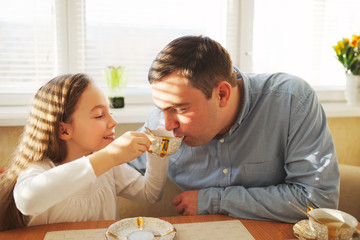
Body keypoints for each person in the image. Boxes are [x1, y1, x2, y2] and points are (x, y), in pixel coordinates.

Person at [131, 35, 340, 223]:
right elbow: (119, 169)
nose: (168, 126)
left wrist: (215, 201)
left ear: (222, 94)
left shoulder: (292, 102)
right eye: (162, 109)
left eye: (180, 109)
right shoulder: (161, 122)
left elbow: (319, 202)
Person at [0, 73, 170, 231]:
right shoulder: (40, 170)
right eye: (99, 115)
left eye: (109, 112)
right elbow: (28, 201)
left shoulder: (108, 168)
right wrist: (110, 156)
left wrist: (159, 145)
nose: (113, 122)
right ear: (64, 130)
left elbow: (150, 193)